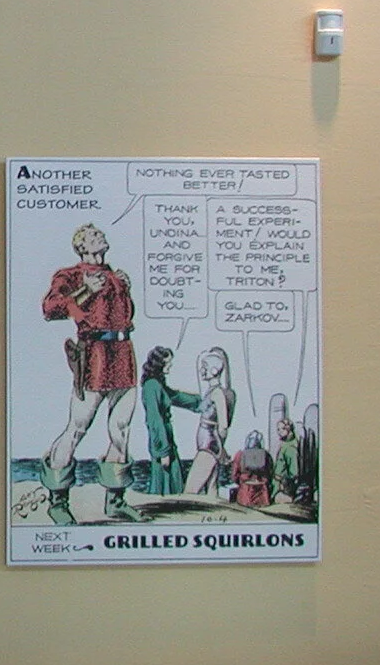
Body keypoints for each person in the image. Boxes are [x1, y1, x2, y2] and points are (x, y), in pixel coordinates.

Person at [39, 222, 140, 523]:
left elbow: (124, 316)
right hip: (94, 355)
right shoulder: (70, 275)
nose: (101, 236)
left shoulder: (116, 276)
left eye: (100, 234)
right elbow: (50, 309)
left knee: (121, 428)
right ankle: (58, 501)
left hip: (123, 353)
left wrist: (125, 288)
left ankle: (115, 500)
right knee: (78, 426)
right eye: (94, 235)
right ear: (82, 246)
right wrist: (85, 290)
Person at [139, 346, 201, 497]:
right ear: (159, 364)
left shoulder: (158, 384)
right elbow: (154, 420)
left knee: (172, 476)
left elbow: (174, 396)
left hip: (166, 437)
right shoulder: (151, 386)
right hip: (161, 440)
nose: (170, 365)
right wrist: (163, 451)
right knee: (165, 476)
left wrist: (199, 401)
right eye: (168, 362)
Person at [182, 347, 234, 496]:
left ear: (214, 370)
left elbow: (223, 425)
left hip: (209, 445)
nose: (201, 371)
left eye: (205, 367)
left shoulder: (217, 393)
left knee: (190, 490)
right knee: (211, 489)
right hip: (207, 443)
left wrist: (220, 448)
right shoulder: (211, 391)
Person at [233, 429, 273, 506]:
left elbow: (234, 476)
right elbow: (270, 473)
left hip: (245, 495)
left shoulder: (240, 455)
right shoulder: (267, 455)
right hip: (262, 496)